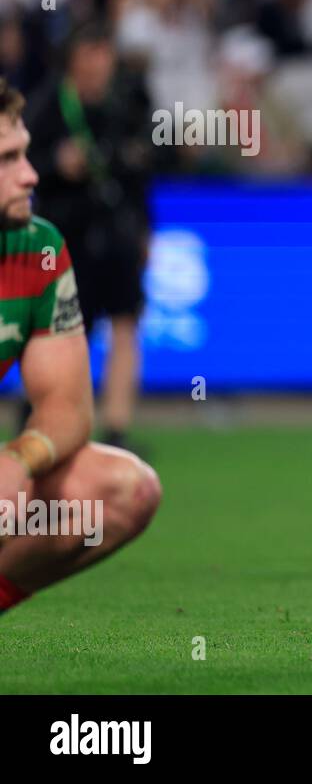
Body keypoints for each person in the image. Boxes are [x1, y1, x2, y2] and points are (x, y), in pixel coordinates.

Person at [0, 79, 161, 617]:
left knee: (122, 491)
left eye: (25, 152)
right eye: (8, 159)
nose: (31, 173)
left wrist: (20, 460)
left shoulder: (38, 248)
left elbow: (67, 408)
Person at [24, 20, 153, 449]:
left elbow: (142, 170)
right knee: (60, 333)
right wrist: (56, 164)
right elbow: (21, 170)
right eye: (90, 54)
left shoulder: (126, 104)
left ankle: (117, 430)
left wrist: (145, 230)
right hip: (66, 235)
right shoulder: (45, 107)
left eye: (104, 54)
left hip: (115, 231)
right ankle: (44, 418)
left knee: (124, 323)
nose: (99, 64)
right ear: (74, 60)